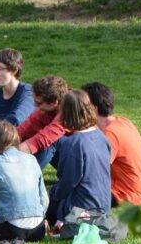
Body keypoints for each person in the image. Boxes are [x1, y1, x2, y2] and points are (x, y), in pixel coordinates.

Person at [47, 90, 112, 227]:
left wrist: (53, 194)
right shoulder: (101, 137)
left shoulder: (73, 144)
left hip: (81, 209)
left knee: (43, 202)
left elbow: (68, 182)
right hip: (103, 206)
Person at [82, 82, 141, 206]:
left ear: (93, 109)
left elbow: (93, 172)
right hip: (134, 192)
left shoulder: (110, 134)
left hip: (122, 195)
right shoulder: (123, 122)